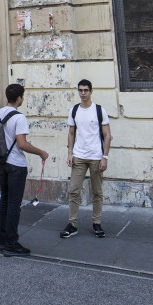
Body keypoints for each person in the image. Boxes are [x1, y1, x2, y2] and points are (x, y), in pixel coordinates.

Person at [0, 83, 48, 257]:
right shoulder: (19, 117)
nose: (22, 98)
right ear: (19, 98)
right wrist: (41, 152)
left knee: (4, 200)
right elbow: (22, 144)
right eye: (22, 96)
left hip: (1, 163)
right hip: (16, 165)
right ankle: (12, 243)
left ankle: (1, 240)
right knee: (14, 205)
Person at [60, 79, 112, 239]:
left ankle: (96, 223)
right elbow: (71, 133)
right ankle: (72, 224)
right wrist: (70, 153)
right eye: (80, 90)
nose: (83, 93)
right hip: (79, 156)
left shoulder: (99, 110)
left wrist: (105, 157)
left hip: (96, 157)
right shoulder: (74, 110)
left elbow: (107, 135)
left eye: (85, 90)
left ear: (91, 91)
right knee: (74, 190)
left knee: (97, 192)